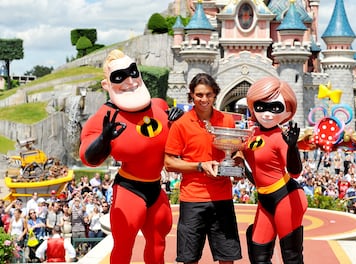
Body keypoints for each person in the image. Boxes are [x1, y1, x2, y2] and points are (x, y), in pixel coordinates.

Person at [79, 49, 182, 263]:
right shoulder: (105, 117)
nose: (130, 81)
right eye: (119, 76)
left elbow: (179, 143)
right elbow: (88, 158)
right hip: (130, 189)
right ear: (107, 85)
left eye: (133, 72)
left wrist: (177, 121)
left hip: (156, 187)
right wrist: (104, 140)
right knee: (124, 247)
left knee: (158, 244)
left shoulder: (159, 106)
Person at [164, 73, 242, 264]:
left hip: (222, 197)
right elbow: (169, 162)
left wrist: (237, 165)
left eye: (208, 94)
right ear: (191, 95)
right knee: (189, 259)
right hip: (192, 199)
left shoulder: (227, 120)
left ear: (215, 95)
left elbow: (237, 151)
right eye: (199, 95)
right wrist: (200, 166)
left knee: (227, 257)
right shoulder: (181, 124)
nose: (204, 99)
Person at [243, 76, 308, 263]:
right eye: (261, 106)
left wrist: (293, 147)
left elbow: (295, 172)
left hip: (286, 197)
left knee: (291, 256)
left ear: (287, 110)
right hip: (265, 198)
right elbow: (251, 167)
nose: (267, 114)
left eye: (275, 108)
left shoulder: (282, 137)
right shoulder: (251, 134)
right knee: (258, 255)